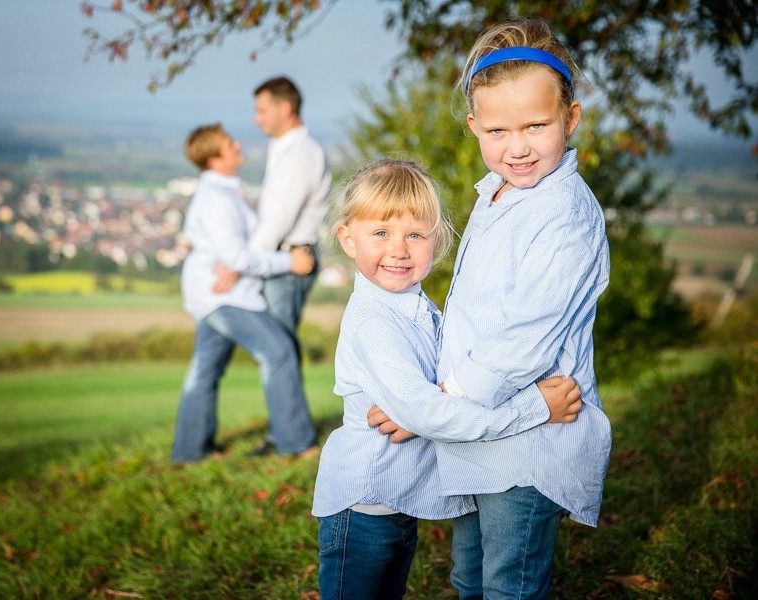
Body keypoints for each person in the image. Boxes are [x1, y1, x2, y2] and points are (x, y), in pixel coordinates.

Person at [367, 19, 612, 599]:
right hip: (477, 431)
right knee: (468, 575)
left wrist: (429, 408)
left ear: (570, 119)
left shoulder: (565, 217)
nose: (517, 146)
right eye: (498, 130)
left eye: (536, 125)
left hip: (528, 438)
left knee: (509, 584)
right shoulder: (499, 191)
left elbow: (521, 343)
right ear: (475, 126)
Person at [313, 158, 584, 599]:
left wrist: (416, 409)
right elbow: (435, 413)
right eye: (380, 233)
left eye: (414, 235)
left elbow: (444, 388)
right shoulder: (373, 323)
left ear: (435, 241)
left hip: (397, 508)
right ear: (347, 238)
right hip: (361, 509)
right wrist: (535, 408)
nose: (399, 250)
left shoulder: (422, 310)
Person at [171, 123, 317, 464]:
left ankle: (190, 452)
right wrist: (289, 262)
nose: (237, 145)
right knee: (278, 351)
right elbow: (236, 257)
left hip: (216, 292)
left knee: (206, 369)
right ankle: (296, 444)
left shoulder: (223, 191)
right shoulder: (217, 199)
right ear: (214, 159)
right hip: (222, 296)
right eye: (228, 143)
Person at [216, 75, 332, 456]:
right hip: (279, 258)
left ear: (285, 108)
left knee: (277, 349)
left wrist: (239, 265)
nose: (256, 119)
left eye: (261, 110)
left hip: (287, 261)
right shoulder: (285, 148)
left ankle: (292, 439)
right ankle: (285, 431)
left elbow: (277, 220)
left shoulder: (301, 154)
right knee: (278, 347)